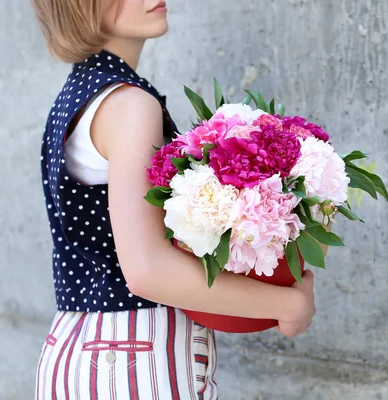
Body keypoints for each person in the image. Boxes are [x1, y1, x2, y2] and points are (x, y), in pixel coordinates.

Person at [31, 1, 316, 398]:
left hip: (79, 345)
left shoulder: (79, 96)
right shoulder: (129, 106)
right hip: (131, 355)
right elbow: (148, 270)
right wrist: (286, 304)